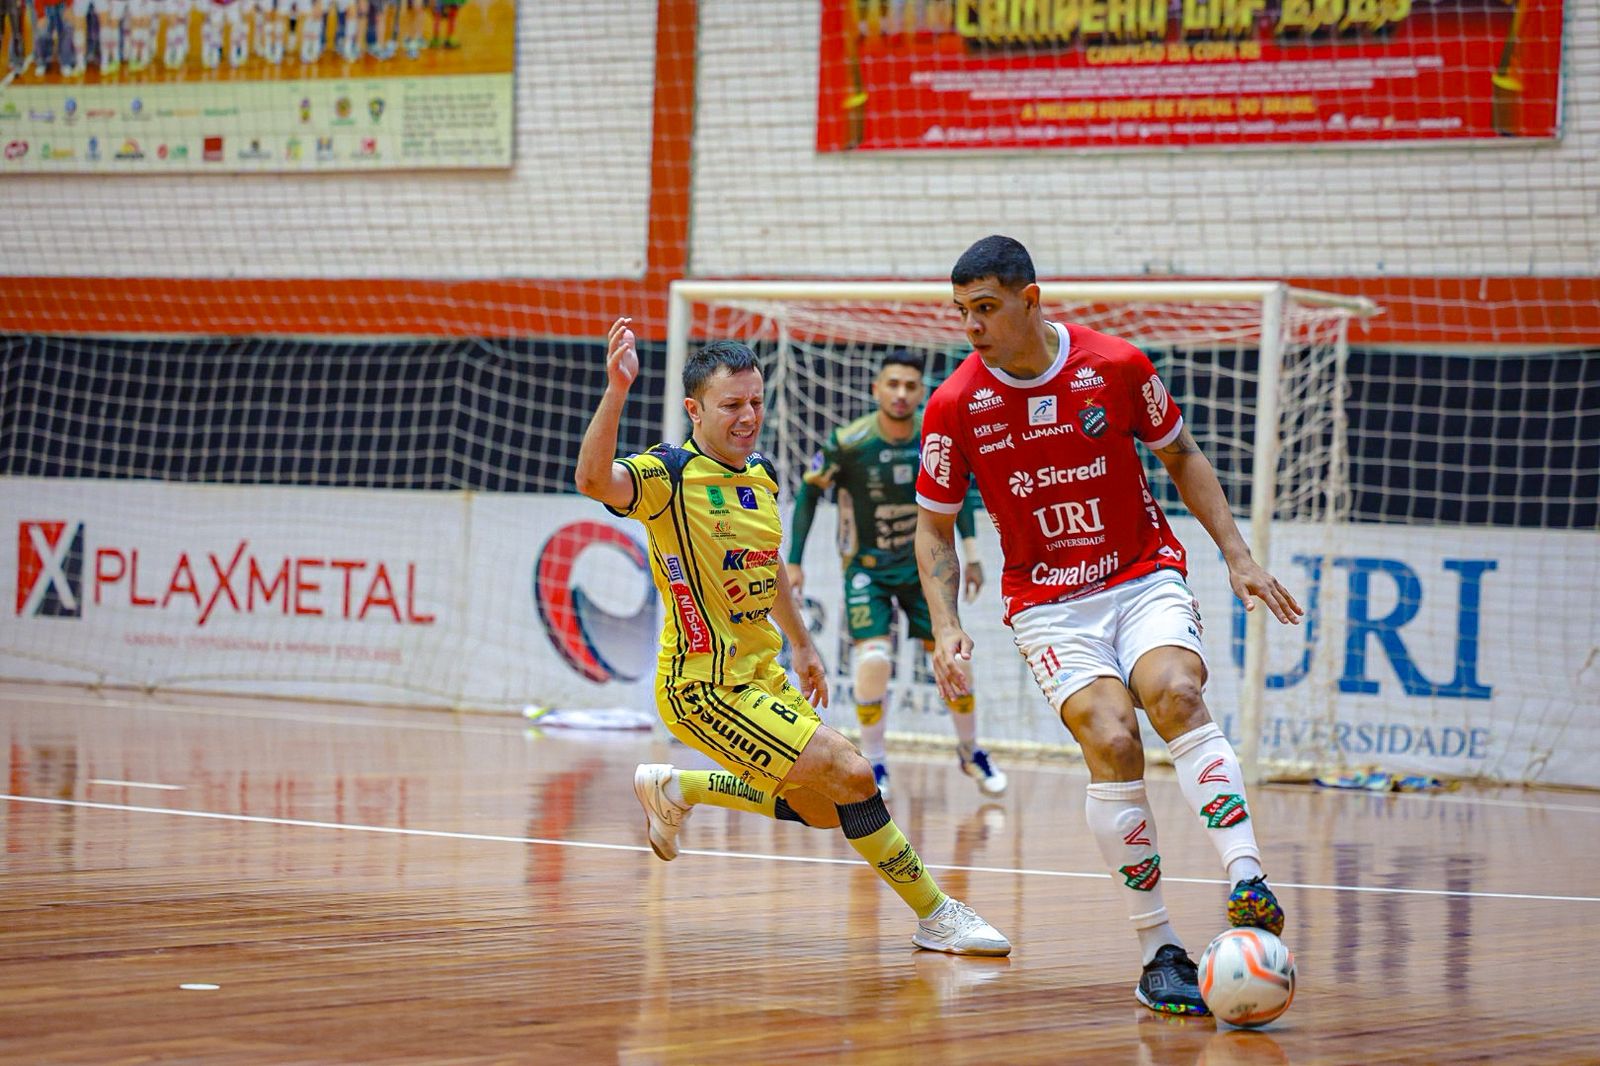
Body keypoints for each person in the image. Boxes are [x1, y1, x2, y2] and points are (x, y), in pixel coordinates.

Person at [914, 236, 1297, 1014]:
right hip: (1047, 600)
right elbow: (933, 527)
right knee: (1113, 739)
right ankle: (1157, 949)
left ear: (1032, 299)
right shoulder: (956, 404)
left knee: (1176, 695)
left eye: (985, 308)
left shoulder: (1117, 366)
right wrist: (947, 623)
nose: (972, 327)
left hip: (1140, 572)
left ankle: (1247, 876)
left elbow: (1181, 453)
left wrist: (1238, 555)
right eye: (961, 313)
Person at [574, 315, 1011, 957]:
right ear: (694, 410)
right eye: (731, 405)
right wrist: (617, 390)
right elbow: (592, 481)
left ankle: (676, 788)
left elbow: (771, 564)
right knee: (854, 772)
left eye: (755, 402)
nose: (748, 416)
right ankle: (938, 915)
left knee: (826, 808)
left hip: (764, 674)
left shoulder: (760, 474)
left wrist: (803, 644)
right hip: (704, 687)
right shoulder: (664, 476)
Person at [786, 349, 1007, 800]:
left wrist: (970, 551)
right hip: (867, 569)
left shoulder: (934, 435)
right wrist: (794, 560)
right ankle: (876, 763)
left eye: (910, 386)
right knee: (873, 662)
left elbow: (954, 494)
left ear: (920, 391)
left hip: (923, 570)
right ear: (877, 389)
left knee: (956, 660)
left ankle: (970, 751)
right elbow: (809, 494)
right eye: (893, 384)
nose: (901, 394)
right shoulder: (849, 442)